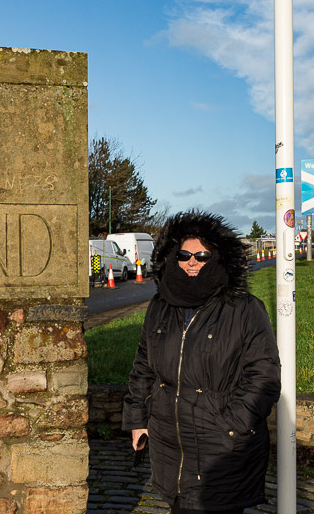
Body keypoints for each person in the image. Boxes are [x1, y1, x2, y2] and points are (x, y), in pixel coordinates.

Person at [122, 210, 281, 514]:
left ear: (218, 257)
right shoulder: (160, 306)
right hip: (170, 443)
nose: (192, 261)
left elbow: (264, 375)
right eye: (183, 254)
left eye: (202, 255)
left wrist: (231, 426)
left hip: (220, 449)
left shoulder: (245, 308)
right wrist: (137, 421)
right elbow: (143, 367)